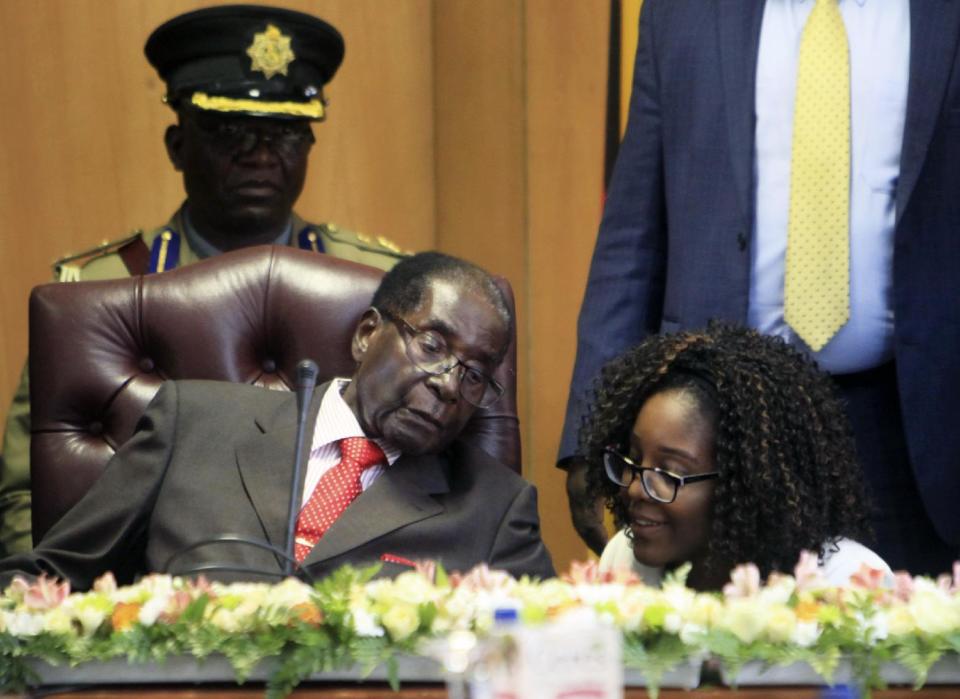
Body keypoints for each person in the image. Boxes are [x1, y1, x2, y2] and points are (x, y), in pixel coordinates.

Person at [559, 0, 960, 576]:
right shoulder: (683, 14)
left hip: (911, 425)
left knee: (909, 654)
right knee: (724, 650)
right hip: (722, 431)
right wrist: (588, 431)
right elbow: (633, 232)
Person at [0, 5, 407, 557]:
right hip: (142, 585)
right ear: (176, 146)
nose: (261, 155)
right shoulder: (102, 289)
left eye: (285, 133)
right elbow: (28, 497)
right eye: (230, 133)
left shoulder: (373, 285)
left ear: (310, 147)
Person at [0, 252, 555, 591]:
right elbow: (50, 579)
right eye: (432, 345)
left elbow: (551, 656)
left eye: (475, 375)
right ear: (366, 334)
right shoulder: (191, 422)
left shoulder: (496, 509)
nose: (447, 384)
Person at [581, 324, 889, 589]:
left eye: (669, 472)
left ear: (745, 485)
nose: (634, 488)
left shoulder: (849, 582)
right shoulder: (624, 556)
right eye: (632, 458)